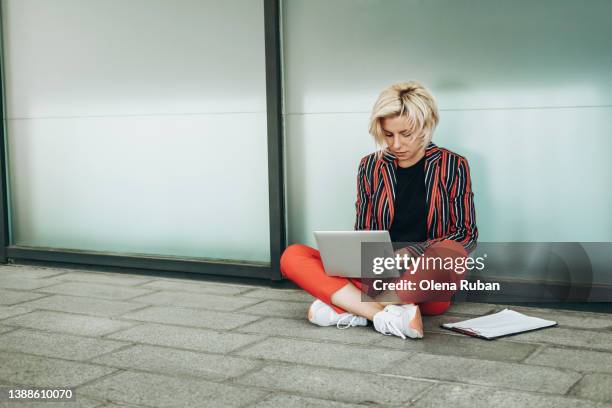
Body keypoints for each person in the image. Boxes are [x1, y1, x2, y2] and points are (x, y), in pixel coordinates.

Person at [280, 81, 478, 339]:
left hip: (425, 276)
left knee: (447, 254)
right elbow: (363, 232)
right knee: (293, 255)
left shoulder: (453, 165)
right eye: (388, 134)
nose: (396, 144)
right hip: (377, 275)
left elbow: (466, 235)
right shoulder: (370, 167)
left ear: (426, 126)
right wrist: (362, 259)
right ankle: (382, 316)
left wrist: (411, 252)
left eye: (406, 134)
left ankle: (349, 308)